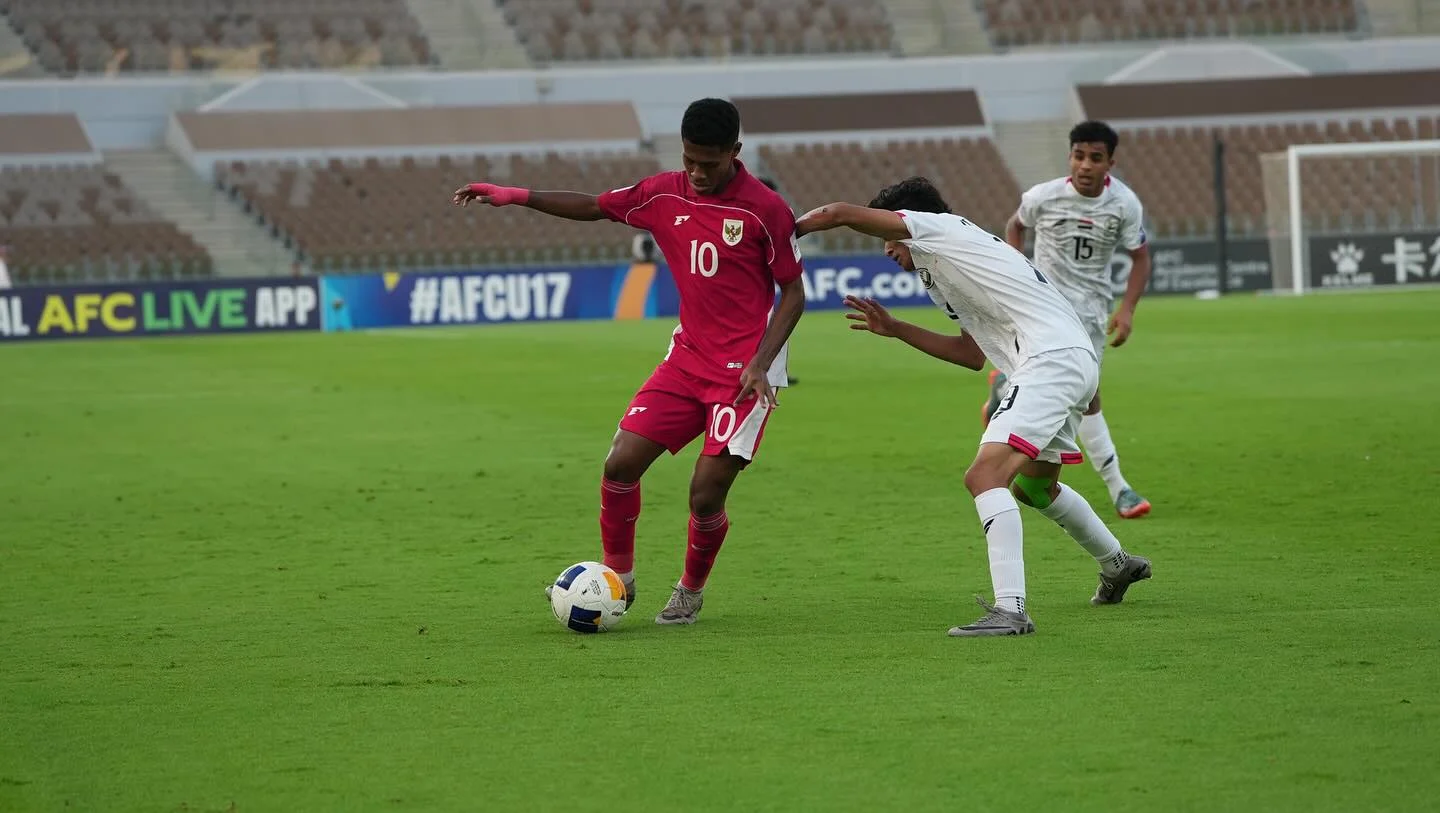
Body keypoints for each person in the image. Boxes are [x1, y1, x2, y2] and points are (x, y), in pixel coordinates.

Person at [452, 98, 806, 625]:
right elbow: (594, 205)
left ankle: (689, 590)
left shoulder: (765, 210)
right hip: (686, 361)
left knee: (705, 494)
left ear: (735, 151)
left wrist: (761, 362)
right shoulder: (662, 192)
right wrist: (516, 196)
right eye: (689, 159)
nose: (697, 172)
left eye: (709, 163)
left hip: (744, 375)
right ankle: (618, 579)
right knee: (620, 463)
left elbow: (794, 292)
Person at [794, 176, 1150, 637]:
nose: (886, 250)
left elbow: (839, 213)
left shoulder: (939, 229)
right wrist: (897, 329)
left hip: (1050, 360)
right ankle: (1118, 564)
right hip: (1065, 360)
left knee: (984, 476)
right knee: (1035, 488)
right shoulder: (943, 265)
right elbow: (970, 354)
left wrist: (786, 230)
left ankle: (1010, 610)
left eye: (889, 238)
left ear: (907, 222)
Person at [999, 120, 1153, 519]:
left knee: (1083, 395)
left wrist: (1127, 309)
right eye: (1079, 156)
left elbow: (1140, 257)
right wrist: (1017, 271)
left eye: (1095, 158)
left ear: (1110, 163)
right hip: (1041, 308)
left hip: (1089, 314)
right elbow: (1015, 225)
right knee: (1087, 396)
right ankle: (1120, 488)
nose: (1085, 165)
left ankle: (1002, 393)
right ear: (1070, 157)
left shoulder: (1124, 204)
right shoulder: (1043, 196)